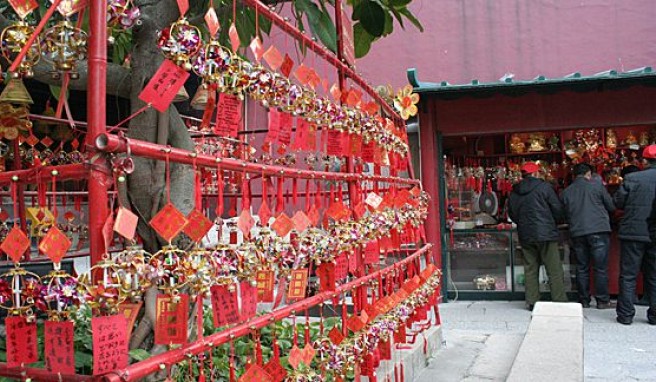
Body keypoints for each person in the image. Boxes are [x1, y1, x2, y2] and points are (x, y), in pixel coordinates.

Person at [509, 162, 568, 310]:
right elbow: (557, 208)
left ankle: (532, 301)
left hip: (526, 234)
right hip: (546, 234)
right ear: (536, 173)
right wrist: (556, 221)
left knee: (530, 268)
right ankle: (559, 301)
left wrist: (523, 224)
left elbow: (512, 213)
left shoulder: (515, 191)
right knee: (553, 268)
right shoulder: (544, 187)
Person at [561, 163, 615, 309]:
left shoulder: (566, 192)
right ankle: (602, 300)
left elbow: (563, 214)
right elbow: (611, 206)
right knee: (600, 268)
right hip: (598, 230)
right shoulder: (597, 187)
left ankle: (584, 300)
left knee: (582, 267)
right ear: (588, 174)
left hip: (578, 232)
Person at [614, 144, 656, 325]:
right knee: (654, 275)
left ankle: (625, 315)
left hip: (633, 232)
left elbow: (618, 202)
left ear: (644, 161)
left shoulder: (632, 178)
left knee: (628, 275)